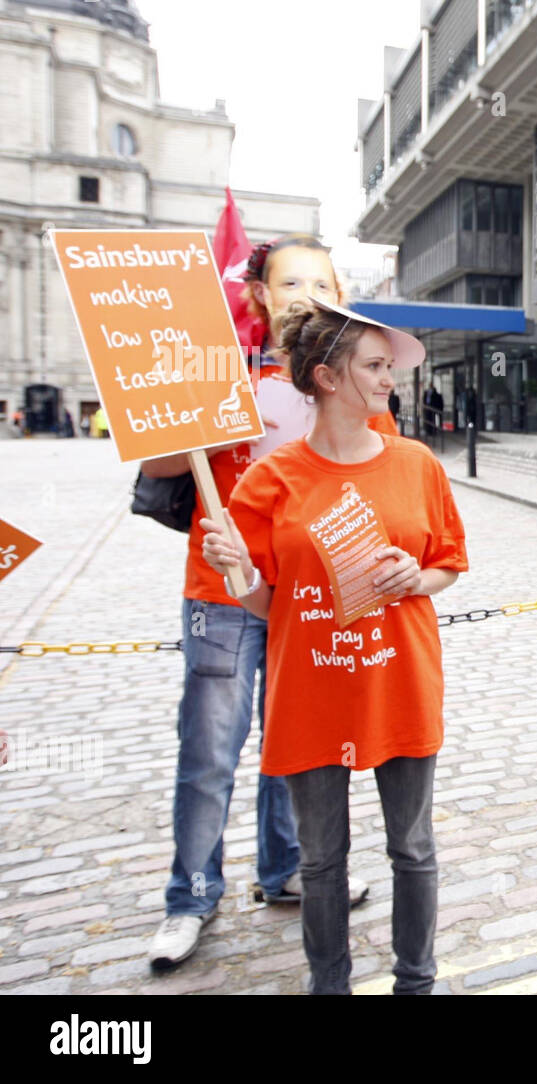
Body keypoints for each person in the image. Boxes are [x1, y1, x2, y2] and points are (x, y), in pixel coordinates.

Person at [200, 296, 468, 995]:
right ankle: (330, 985)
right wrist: (242, 570)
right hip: (309, 691)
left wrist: (419, 576)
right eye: (374, 366)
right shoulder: (272, 477)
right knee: (321, 861)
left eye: (388, 367)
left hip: (399, 682)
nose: (388, 380)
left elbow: (447, 563)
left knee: (412, 849)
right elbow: (266, 602)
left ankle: (417, 981)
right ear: (326, 377)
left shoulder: (418, 464)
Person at [143, 235, 393, 971]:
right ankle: (189, 897)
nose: (305, 293)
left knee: (293, 745)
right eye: (291, 282)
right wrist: (211, 418)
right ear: (261, 294)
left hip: (304, 597)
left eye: (320, 280)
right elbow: (158, 459)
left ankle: (284, 870)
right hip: (220, 591)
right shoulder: (216, 368)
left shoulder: (348, 374)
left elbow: (381, 472)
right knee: (210, 752)